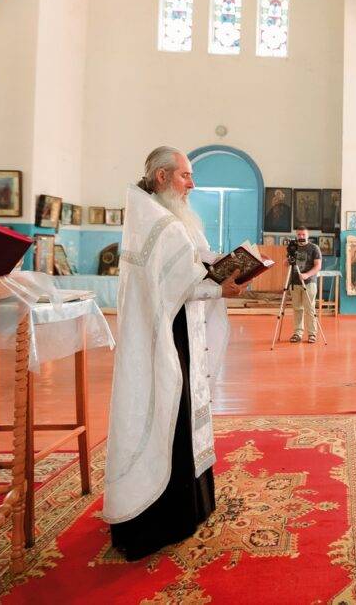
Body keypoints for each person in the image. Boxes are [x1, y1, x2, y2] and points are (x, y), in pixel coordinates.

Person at [104, 147, 245, 561]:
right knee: (171, 411)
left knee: (180, 411)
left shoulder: (158, 216)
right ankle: (164, 519)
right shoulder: (160, 222)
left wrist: (219, 273)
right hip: (166, 335)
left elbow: (185, 271)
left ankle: (191, 507)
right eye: (185, 176)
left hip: (173, 329)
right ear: (162, 177)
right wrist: (222, 286)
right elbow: (175, 286)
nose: (192, 184)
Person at [288, 225, 322, 344]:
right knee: (297, 308)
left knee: (310, 309)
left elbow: (318, 266)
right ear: (296, 235)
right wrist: (288, 258)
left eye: (303, 234)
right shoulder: (293, 247)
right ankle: (298, 333)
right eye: (299, 235)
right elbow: (286, 263)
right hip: (294, 282)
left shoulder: (314, 248)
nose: (301, 237)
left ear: (308, 235)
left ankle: (312, 334)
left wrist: (307, 275)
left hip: (309, 282)